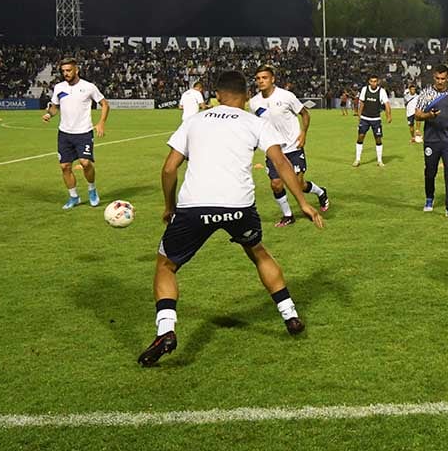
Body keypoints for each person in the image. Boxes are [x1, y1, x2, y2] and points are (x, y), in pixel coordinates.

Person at [137, 70, 324, 367]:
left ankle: (166, 331)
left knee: (166, 264)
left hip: (194, 207)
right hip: (239, 207)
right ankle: (290, 316)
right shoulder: (255, 122)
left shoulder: (194, 121)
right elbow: (280, 161)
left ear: (217, 94)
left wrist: (169, 206)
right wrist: (303, 202)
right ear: (245, 94)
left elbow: (169, 169)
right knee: (259, 253)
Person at [250, 65, 329, 227]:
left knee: (299, 184)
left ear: (273, 79)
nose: (261, 81)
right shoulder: (254, 102)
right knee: (276, 184)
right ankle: (288, 215)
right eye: (258, 78)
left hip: (293, 147)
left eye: (264, 78)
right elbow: (254, 125)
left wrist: (303, 133)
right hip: (273, 150)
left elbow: (305, 113)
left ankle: (320, 192)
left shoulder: (286, 96)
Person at [41, 57, 110, 210]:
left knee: (85, 163)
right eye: (63, 71)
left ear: (76, 70)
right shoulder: (59, 87)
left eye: (69, 70)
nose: (66, 73)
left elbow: (104, 104)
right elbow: (54, 107)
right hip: (64, 133)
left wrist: (101, 123)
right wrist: (49, 114)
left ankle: (92, 189)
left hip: (83, 132)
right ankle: (74, 197)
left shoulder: (89, 87)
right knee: (65, 166)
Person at [414, 65, 448, 218]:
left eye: (443, 79)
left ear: (447, 78)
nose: (440, 81)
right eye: (437, 78)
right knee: (430, 172)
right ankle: (429, 199)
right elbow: (417, 115)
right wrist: (429, 115)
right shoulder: (426, 94)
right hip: (431, 140)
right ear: (433, 77)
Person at [353, 74, 392, 167]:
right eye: (372, 81)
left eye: (375, 81)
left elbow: (387, 104)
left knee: (378, 139)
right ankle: (357, 159)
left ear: (378, 82)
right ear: (369, 82)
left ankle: (379, 160)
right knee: (360, 137)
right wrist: (359, 114)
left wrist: (388, 115)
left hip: (376, 119)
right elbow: (361, 102)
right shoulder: (364, 90)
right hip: (365, 118)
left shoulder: (381, 91)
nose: (373, 83)